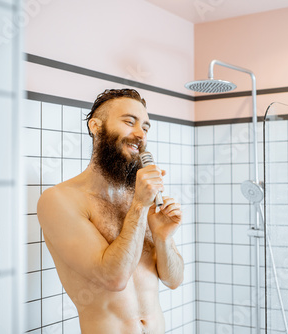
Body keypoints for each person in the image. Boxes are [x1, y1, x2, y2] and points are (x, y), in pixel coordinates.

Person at [37, 88, 184, 334]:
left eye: (146, 128)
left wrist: (163, 237)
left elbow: (174, 280)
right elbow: (114, 278)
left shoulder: (141, 196)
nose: (140, 134)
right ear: (96, 126)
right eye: (129, 122)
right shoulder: (59, 199)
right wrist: (138, 206)